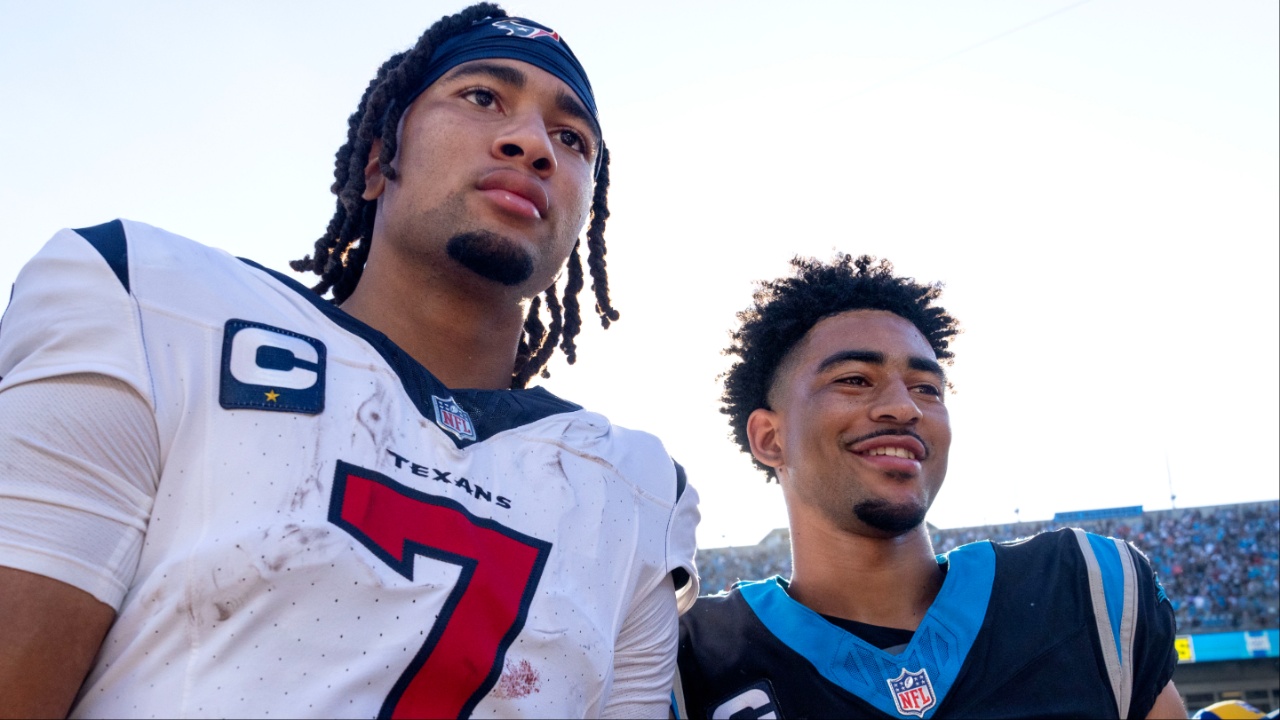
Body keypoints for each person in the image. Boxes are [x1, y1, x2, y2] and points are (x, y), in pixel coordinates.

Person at [0, 4, 699, 718]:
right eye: (483, 97)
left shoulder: (634, 489)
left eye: (572, 137)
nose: (532, 143)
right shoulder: (152, 305)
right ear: (376, 162)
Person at [674, 254, 1183, 719]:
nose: (905, 406)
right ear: (770, 439)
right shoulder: (689, 656)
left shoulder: (1081, 588)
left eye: (927, 389)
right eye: (855, 379)